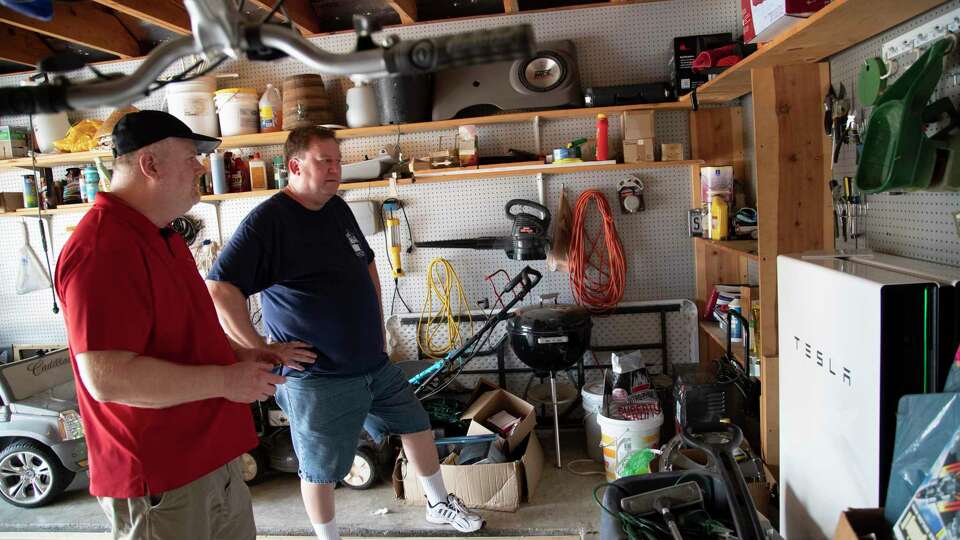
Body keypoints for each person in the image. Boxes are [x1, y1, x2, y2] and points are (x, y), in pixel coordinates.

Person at [205, 126, 485, 539]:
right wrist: (261, 348)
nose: (336, 168)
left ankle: (438, 504)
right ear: (296, 166)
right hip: (319, 377)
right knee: (320, 470)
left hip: (371, 362)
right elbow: (219, 286)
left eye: (338, 160)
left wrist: (376, 328)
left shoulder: (336, 207)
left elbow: (366, 262)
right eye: (326, 161)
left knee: (416, 423)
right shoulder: (269, 222)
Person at [55, 111, 292, 540]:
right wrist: (225, 380)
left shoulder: (160, 235)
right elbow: (107, 378)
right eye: (191, 156)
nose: (201, 167)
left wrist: (239, 356)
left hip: (210, 461)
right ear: (150, 164)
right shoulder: (102, 249)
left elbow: (177, 335)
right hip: (161, 479)